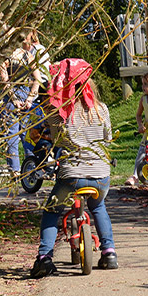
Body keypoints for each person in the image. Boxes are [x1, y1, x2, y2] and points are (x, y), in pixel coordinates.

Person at [30, 58, 118, 278]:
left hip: (72, 175)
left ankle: (44, 258)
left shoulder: (58, 112)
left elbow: (56, 140)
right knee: (98, 207)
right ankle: (109, 252)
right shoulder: (101, 109)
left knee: (52, 210)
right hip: (100, 175)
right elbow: (107, 138)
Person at [0, 28, 52, 173]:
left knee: (11, 135)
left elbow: (5, 82)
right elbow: (38, 78)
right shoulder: (28, 56)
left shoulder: (6, 58)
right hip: (26, 94)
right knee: (27, 135)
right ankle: (31, 167)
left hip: (12, 98)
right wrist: (30, 98)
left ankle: (15, 170)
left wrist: (14, 99)